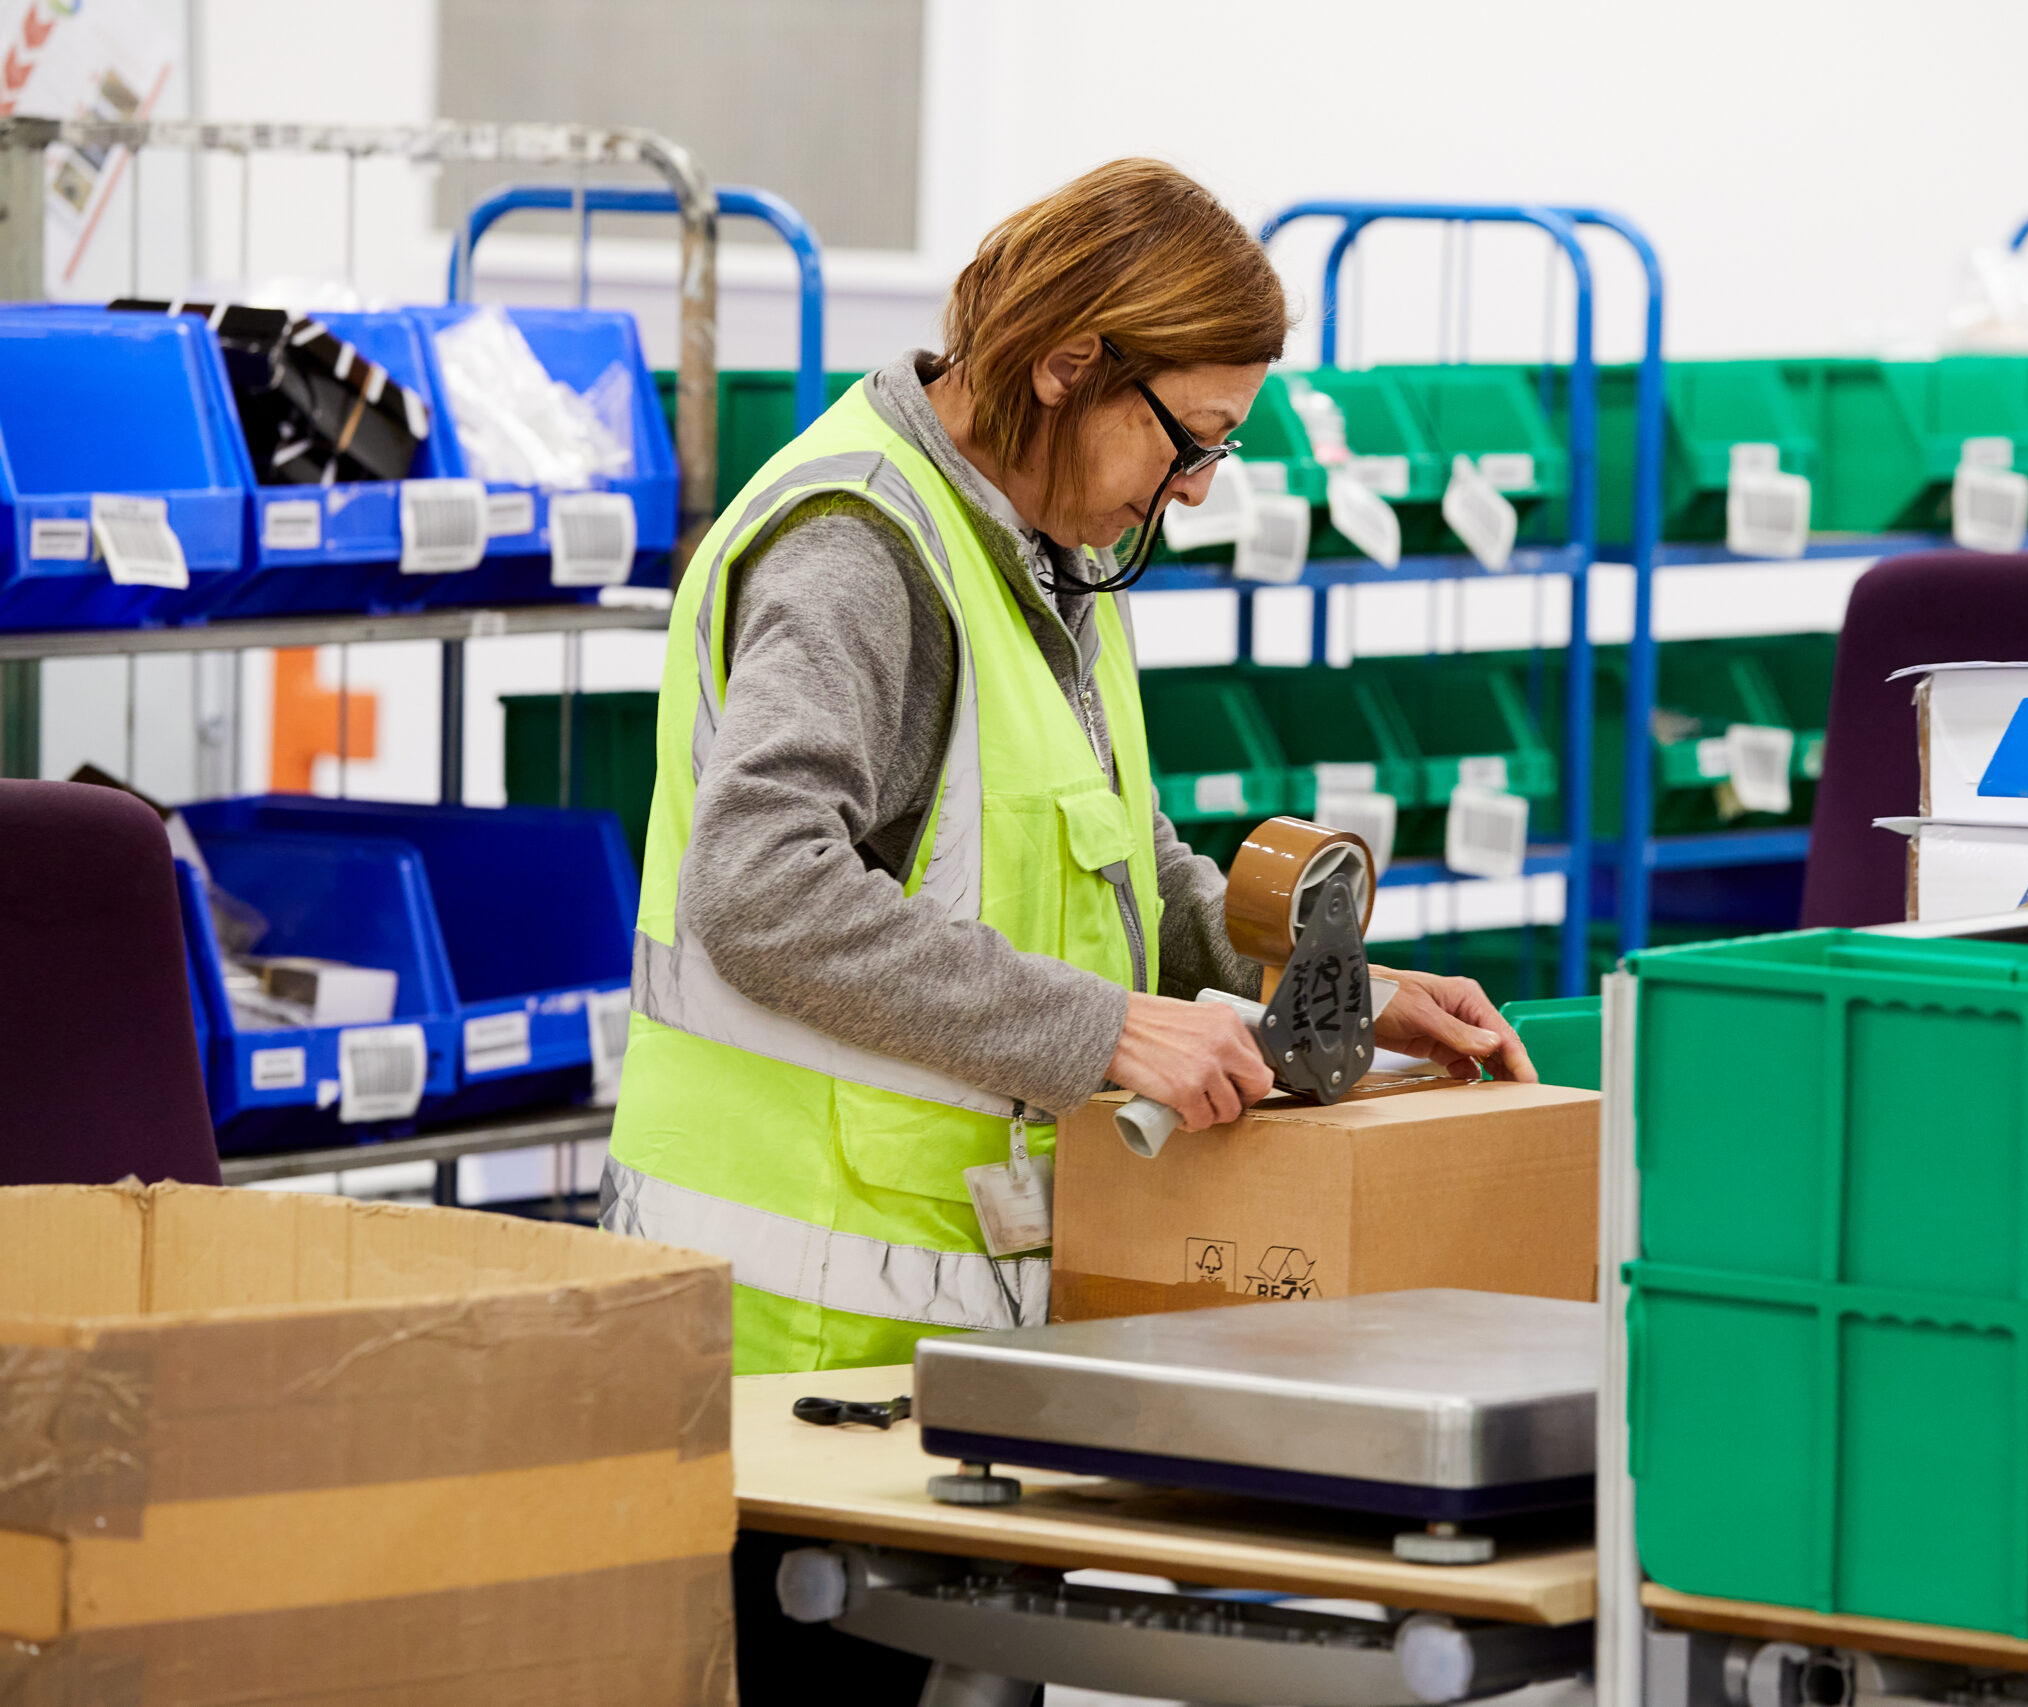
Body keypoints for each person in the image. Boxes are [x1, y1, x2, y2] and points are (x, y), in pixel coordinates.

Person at [602, 158, 1535, 1376]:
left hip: (946, 1300)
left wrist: (1325, 994)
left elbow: (1106, 858)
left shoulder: (1043, 537)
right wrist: (1107, 1031)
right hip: (798, 1324)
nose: (1197, 489)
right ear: (1066, 366)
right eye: (1188, 441)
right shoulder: (860, 553)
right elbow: (758, 889)